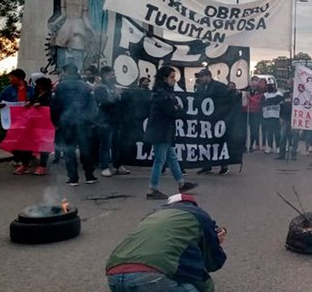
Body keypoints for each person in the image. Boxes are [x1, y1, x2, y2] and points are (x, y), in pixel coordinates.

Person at [79, 193, 226, 292]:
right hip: (152, 277)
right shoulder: (199, 215)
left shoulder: (151, 216)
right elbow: (213, 262)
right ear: (193, 205)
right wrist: (216, 242)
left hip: (115, 277)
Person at [144, 66, 198, 200]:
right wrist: (177, 108)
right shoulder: (162, 94)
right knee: (160, 160)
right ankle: (152, 189)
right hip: (161, 131)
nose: (174, 80)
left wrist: (176, 108)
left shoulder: (163, 92)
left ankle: (181, 183)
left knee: (171, 157)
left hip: (164, 130)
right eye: (172, 77)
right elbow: (171, 111)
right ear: (164, 78)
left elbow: (174, 109)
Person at [51, 64, 98, 185]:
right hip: (84, 122)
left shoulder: (60, 87)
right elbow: (92, 105)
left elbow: (55, 106)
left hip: (66, 123)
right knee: (86, 149)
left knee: (69, 150)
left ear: (65, 72)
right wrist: (92, 121)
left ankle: (73, 178)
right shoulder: (85, 86)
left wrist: (55, 122)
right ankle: (89, 176)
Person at [95, 66, 131, 177]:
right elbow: (104, 103)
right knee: (106, 144)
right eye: (111, 74)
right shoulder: (100, 88)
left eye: (114, 74)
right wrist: (115, 96)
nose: (114, 76)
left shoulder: (114, 87)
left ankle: (117, 165)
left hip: (116, 120)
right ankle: (105, 167)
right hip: (105, 120)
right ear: (105, 76)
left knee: (117, 144)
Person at [194, 69, 230, 175]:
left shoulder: (219, 86)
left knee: (219, 142)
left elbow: (228, 97)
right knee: (206, 143)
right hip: (205, 120)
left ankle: (224, 165)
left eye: (201, 76)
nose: (200, 79)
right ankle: (207, 165)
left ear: (208, 76)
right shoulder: (200, 87)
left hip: (217, 118)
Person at [261, 81, 283, 154]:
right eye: (268, 86)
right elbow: (262, 102)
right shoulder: (265, 94)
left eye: (272, 86)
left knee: (277, 133)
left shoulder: (279, 94)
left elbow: (277, 100)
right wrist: (270, 101)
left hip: (276, 116)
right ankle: (269, 146)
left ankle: (278, 147)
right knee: (269, 133)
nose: (270, 87)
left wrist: (269, 101)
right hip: (267, 116)